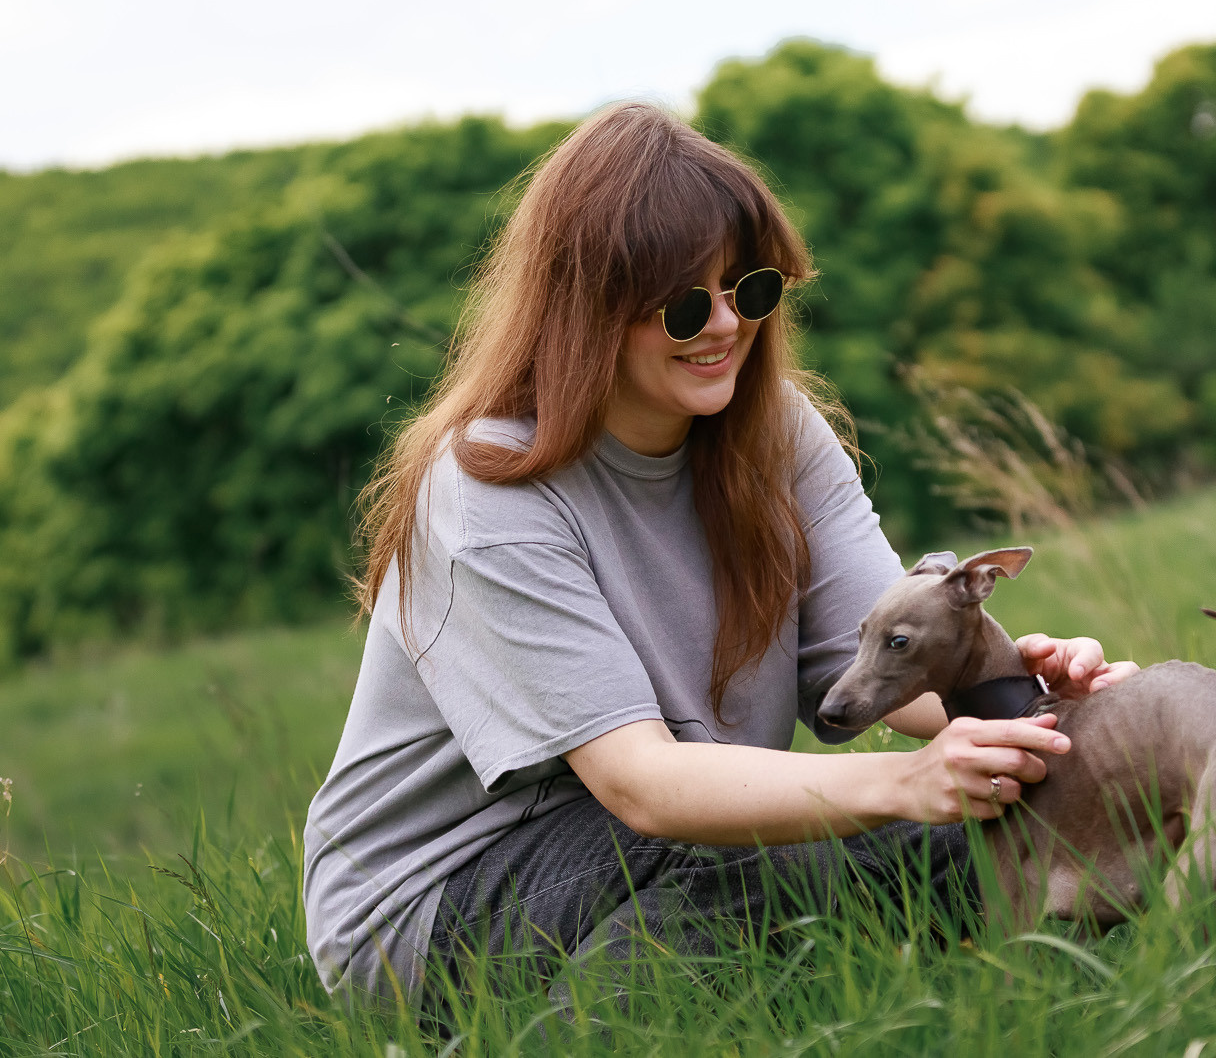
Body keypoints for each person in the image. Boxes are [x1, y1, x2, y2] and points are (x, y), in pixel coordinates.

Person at [302, 102, 1138, 1003]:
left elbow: (893, 670)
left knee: (1007, 831)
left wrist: (1043, 716)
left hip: (674, 838)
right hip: (438, 900)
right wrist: (910, 781)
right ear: (585, 307)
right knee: (741, 869)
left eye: (753, 290)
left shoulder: (776, 430)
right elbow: (645, 786)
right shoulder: (486, 486)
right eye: (685, 302)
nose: (726, 326)